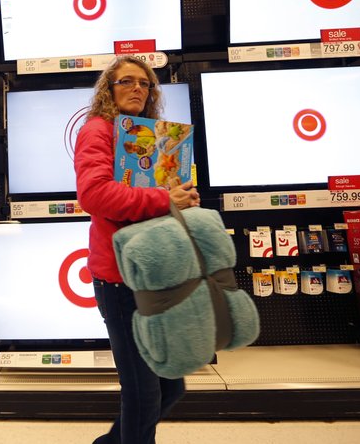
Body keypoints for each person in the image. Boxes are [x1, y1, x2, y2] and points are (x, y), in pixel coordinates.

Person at [74, 55, 201, 444]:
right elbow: (95, 195)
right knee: (144, 397)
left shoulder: (155, 134)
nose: (137, 89)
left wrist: (184, 199)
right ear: (108, 90)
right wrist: (165, 199)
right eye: (127, 81)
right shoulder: (97, 130)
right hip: (119, 279)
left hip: (155, 274)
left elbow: (159, 193)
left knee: (170, 388)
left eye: (145, 84)